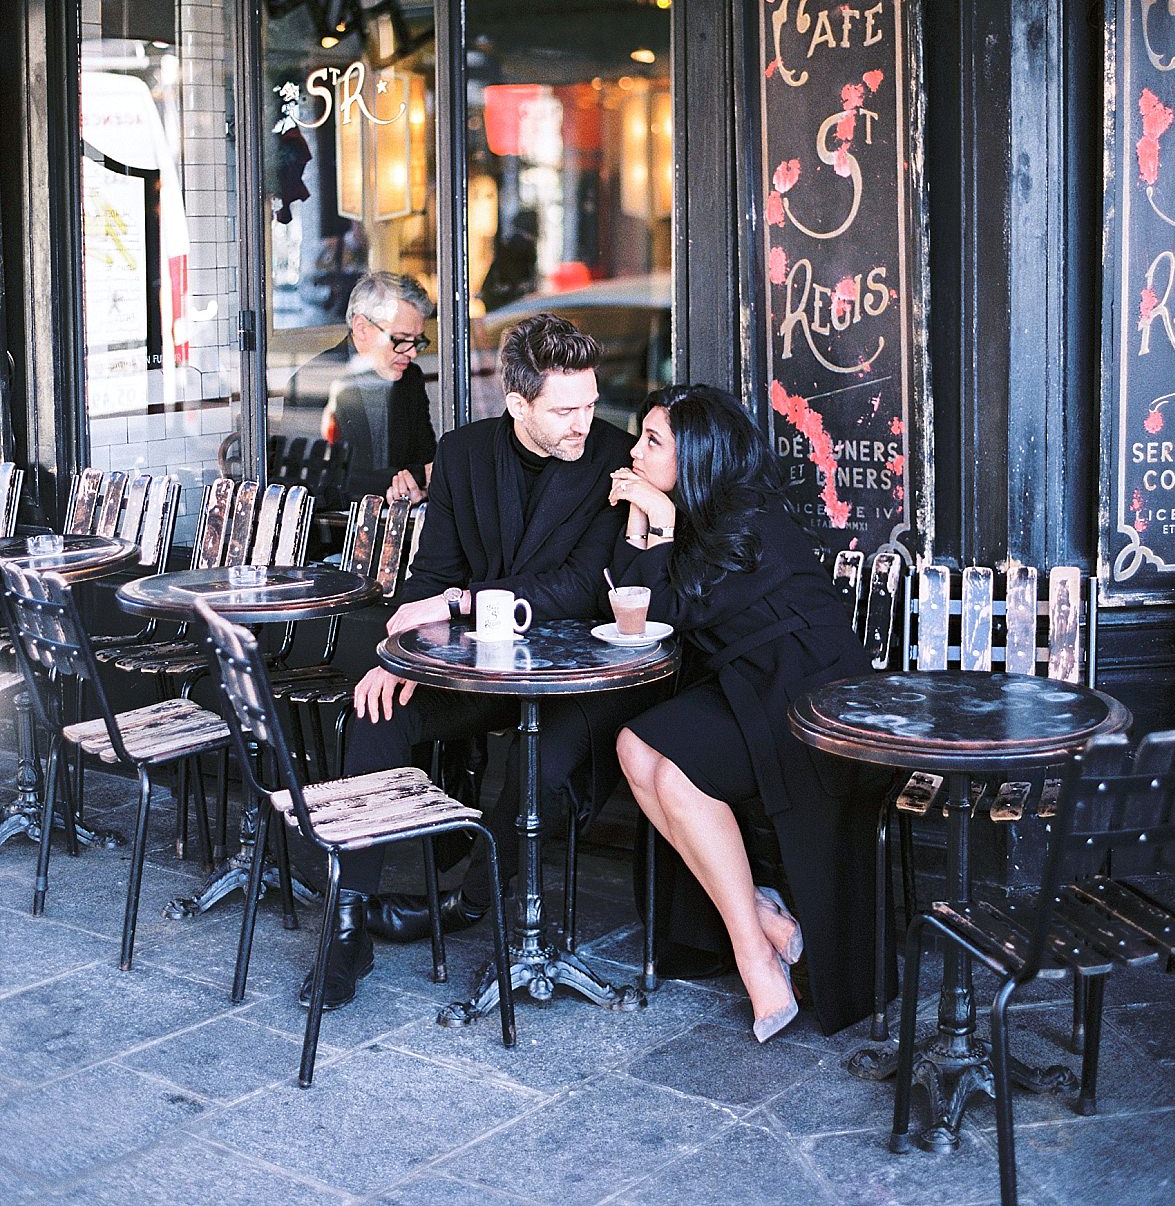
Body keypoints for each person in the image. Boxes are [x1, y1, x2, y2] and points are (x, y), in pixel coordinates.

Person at [302, 312, 658, 1010]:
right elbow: (431, 574)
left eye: (589, 404)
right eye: (564, 410)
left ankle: (466, 903)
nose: (583, 424)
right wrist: (395, 657)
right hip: (483, 670)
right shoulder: (464, 454)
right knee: (375, 712)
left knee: (545, 769)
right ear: (516, 401)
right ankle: (346, 927)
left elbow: (582, 589)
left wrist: (463, 602)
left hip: (579, 676)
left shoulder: (612, 458)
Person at [608, 384, 890, 1041]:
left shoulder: (748, 515)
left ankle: (755, 952)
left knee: (675, 775)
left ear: (698, 454)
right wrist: (642, 517)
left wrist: (659, 518)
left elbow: (669, 609)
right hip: (747, 685)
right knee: (634, 747)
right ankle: (762, 925)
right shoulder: (696, 510)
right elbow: (628, 604)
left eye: (653, 442)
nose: (634, 451)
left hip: (810, 696)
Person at [282, 271, 436, 506]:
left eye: (417, 341)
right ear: (362, 328)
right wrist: (407, 481)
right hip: (335, 533)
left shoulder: (410, 379)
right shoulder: (312, 380)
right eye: (402, 339)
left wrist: (418, 490)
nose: (413, 352)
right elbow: (315, 481)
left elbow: (428, 461)